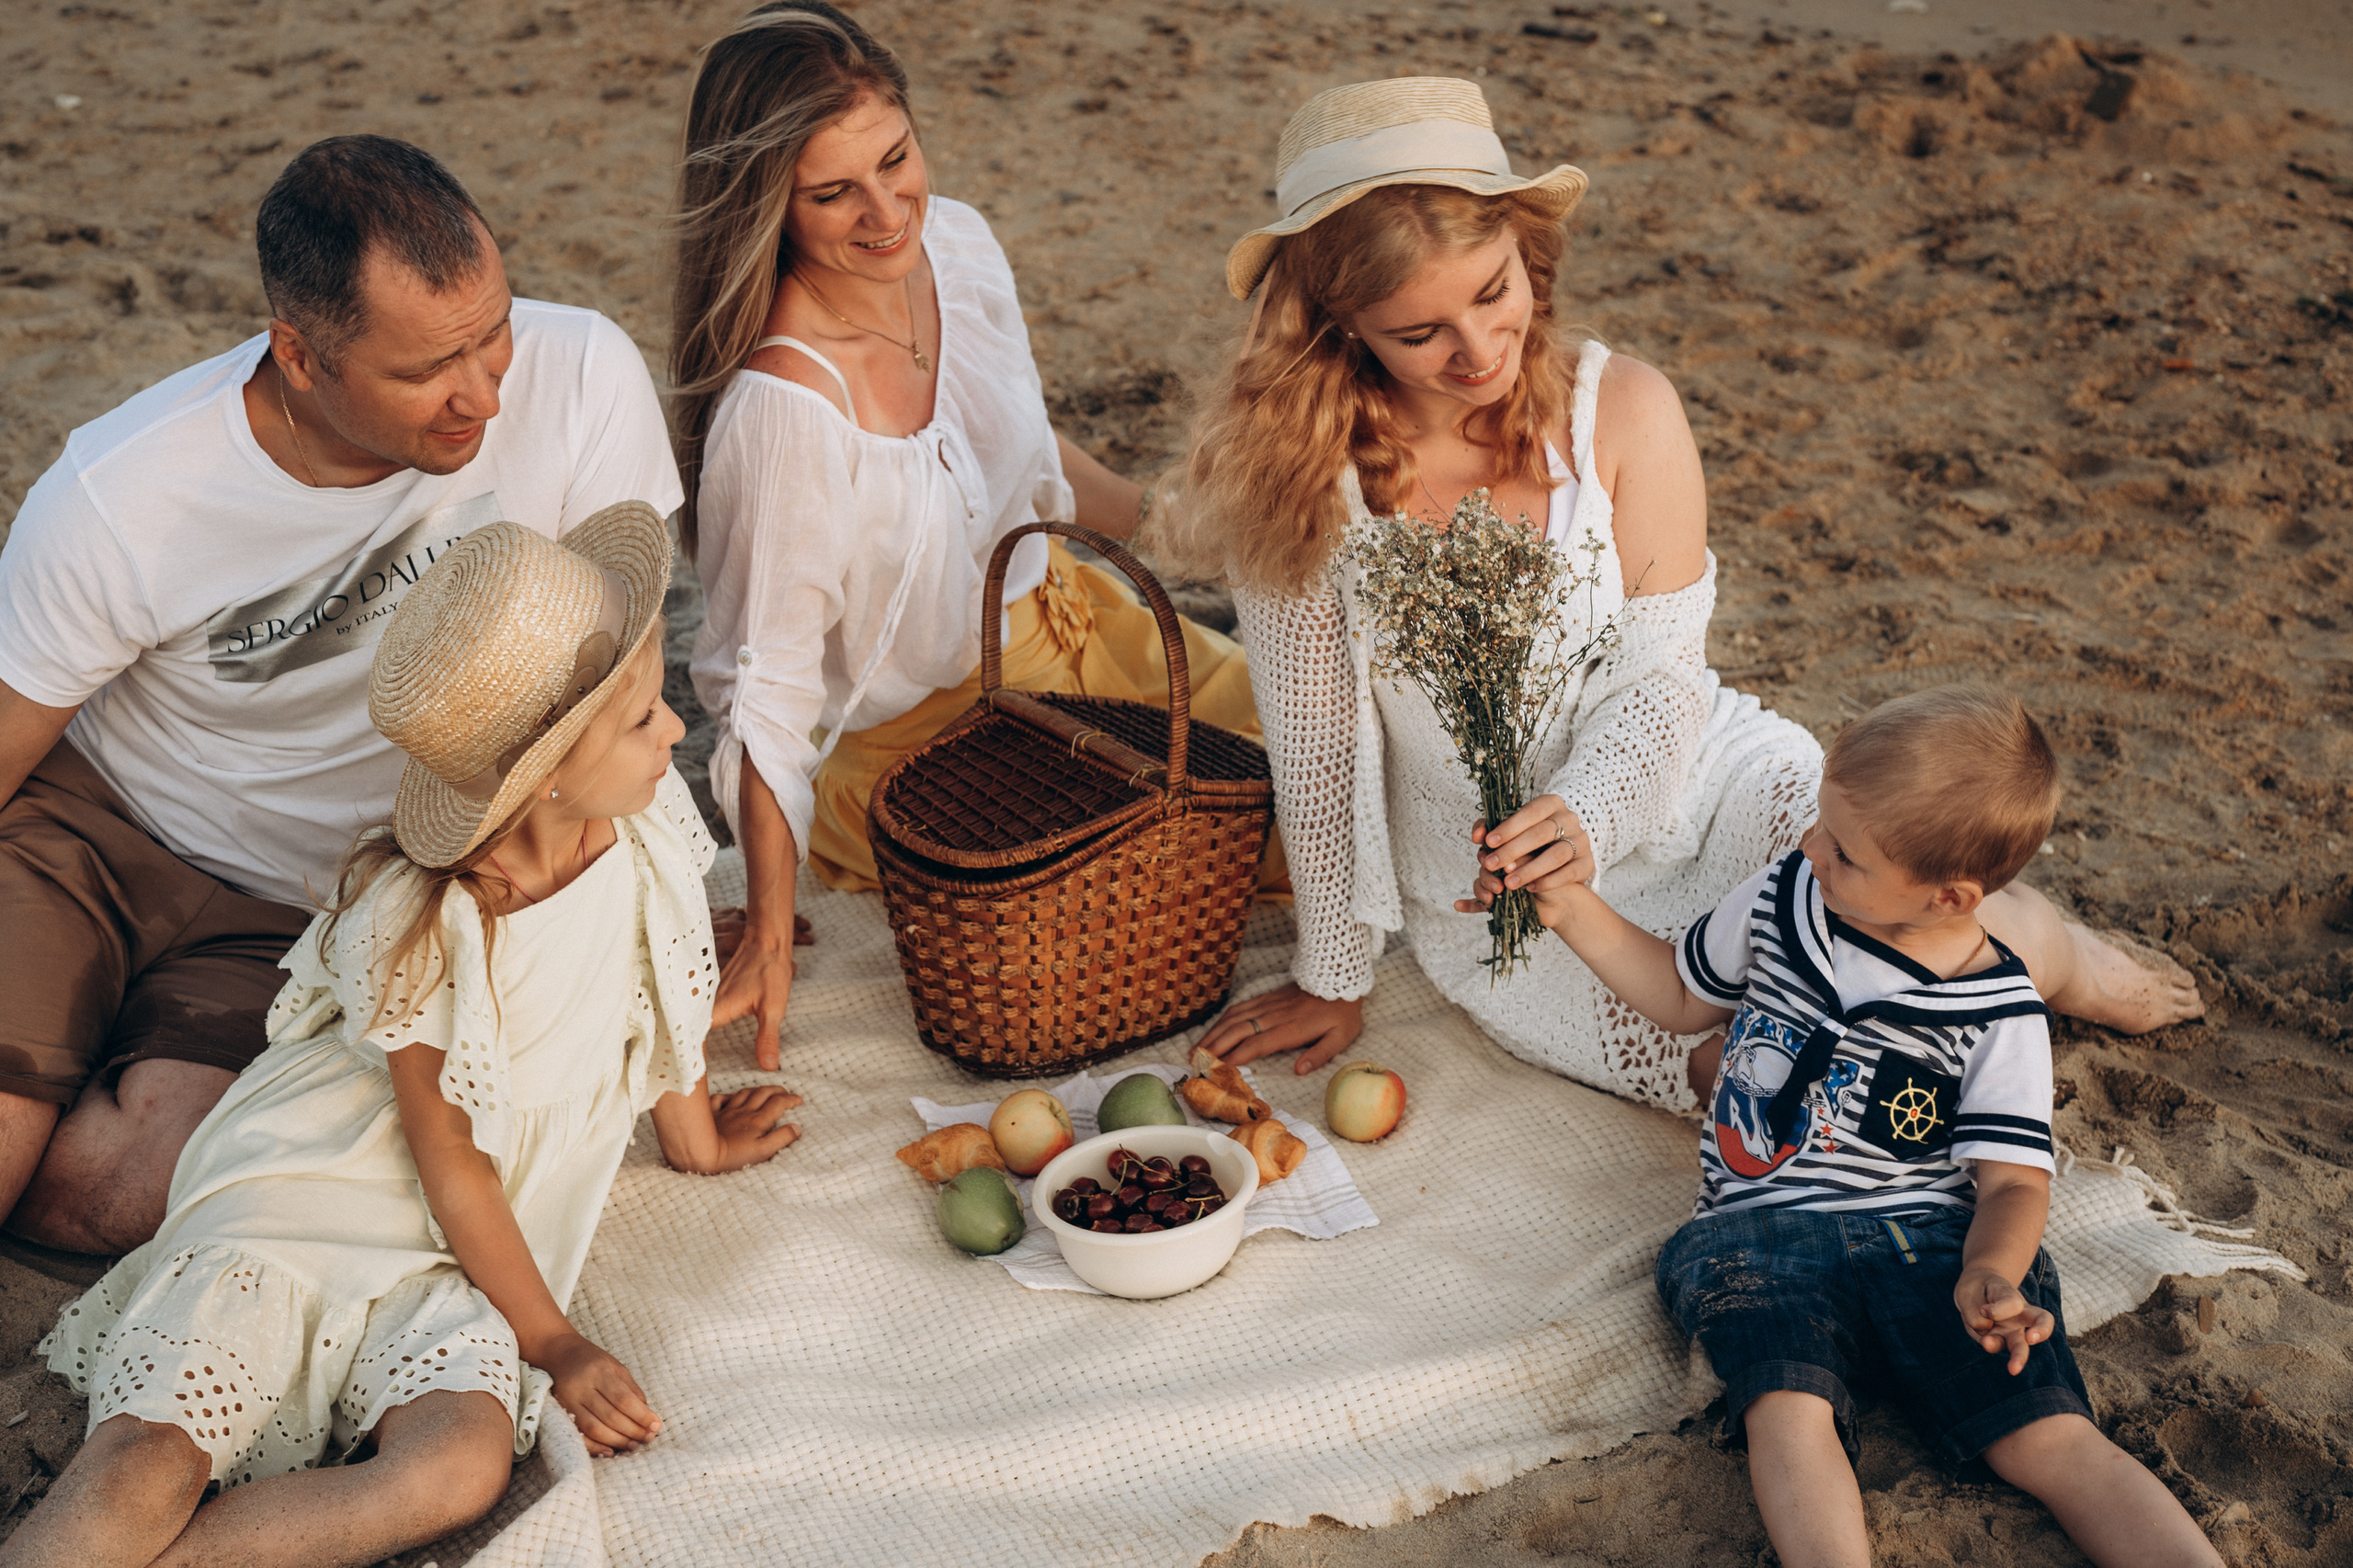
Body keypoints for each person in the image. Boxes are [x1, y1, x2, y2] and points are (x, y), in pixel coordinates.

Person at [1174, 78, 2203, 1108]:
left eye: (1493, 292)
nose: (1478, 353)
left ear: (1524, 249)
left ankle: (2059, 956)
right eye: (1417, 333)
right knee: (1760, 1075)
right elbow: (1318, 752)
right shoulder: (1300, 483)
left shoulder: (1621, 408)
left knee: (1907, 916)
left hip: (1696, 787)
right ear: (1340, 325)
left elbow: (1663, 675)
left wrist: (1586, 810)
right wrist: (1335, 975)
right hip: (1512, 909)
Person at [6, 507, 801, 1568]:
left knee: (455, 1466)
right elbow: (450, 1158)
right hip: (311, 1196)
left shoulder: (647, 822)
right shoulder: (426, 918)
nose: (674, 733)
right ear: (546, 768)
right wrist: (552, 1341)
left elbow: (660, 979)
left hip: (449, 1262)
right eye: (645, 717)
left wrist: (693, 1135)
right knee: (151, 1461)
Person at [0, 135, 683, 1256]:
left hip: (312, 901)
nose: (480, 395)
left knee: (120, 1195)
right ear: (300, 356)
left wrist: (633, 917)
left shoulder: (582, 376)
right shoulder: (122, 494)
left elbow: (620, 692)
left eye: (492, 334)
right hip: (95, 835)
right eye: (425, 370)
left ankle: (79, 1061)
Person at [1483, 686, 2221, 1568]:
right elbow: (1680, 995)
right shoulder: (1789, 894)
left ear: (1950, 899)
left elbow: (2016, 1179)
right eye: (1822, 825)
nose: (1810, 848)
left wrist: (1992, 1273)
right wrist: (1569, 907)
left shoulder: (1997, 1010)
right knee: (1786, 1410)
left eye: (1845, 852)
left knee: (2045, 1438)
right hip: (1761, 1234)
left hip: (1931, 1241)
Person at [673, 1, 1274, 1073]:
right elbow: (765, 692)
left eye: (894, 158)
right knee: (1231, 847)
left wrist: (1194, 535)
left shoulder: (956, 238)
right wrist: (767, 926)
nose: (884, 211)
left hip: (1077, 627)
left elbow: (1023, 453)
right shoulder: (784, 414)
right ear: (765, 208)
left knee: (1325, 766)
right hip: (928, 757)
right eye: (831, 193)